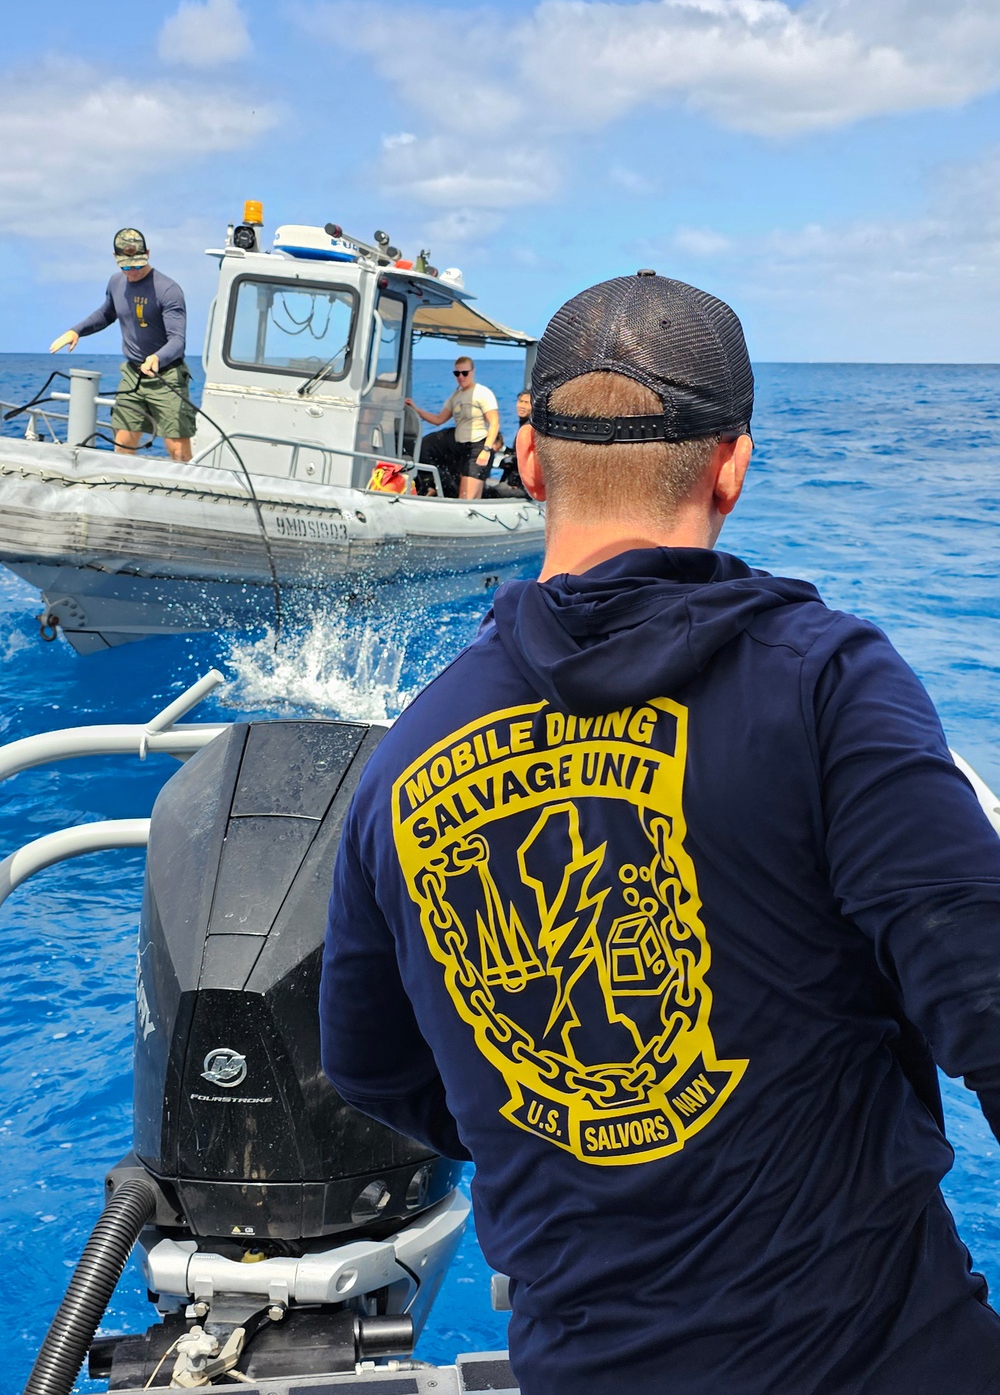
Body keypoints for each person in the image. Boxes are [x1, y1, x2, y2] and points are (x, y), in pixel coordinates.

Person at [320, 272, 1000, 1395]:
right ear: (731, 465)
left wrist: (573, 1123)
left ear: (529, 459)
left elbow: (382, 1074)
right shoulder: (827, 687)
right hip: (880, 1358)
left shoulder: (404, 759)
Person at [49, 228, 196, 462]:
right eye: (126, 267)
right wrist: (75, 331)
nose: (132, 272)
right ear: (115, 259)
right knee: (123, 442)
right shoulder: (116, 282)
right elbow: (106, 313)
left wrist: (157, 358)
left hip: (166, 376)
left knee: (178, 450)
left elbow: (177, 340)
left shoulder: (168, 290)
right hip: (133, 374)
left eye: (137, 265)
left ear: (147, 254)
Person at [406, 356, 499, 498]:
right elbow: (439, 419)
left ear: (472, 372)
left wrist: (486, 449)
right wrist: (416, 409)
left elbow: (494, 423)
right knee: (465, 495)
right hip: (461, 448)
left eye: (465, 373)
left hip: (478, 446)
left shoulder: (482, 393)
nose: (461, 377)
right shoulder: (456, 395)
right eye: (457, 373)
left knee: (467, 498)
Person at [486, 389, 530, 499]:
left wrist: (510, 460)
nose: (522, 406)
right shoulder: (523, 425)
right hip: (514, 481)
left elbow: (526, 458)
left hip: (522, 487)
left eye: (526, 403)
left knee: (486, 492)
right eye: (520, 401)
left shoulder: (530, 429)